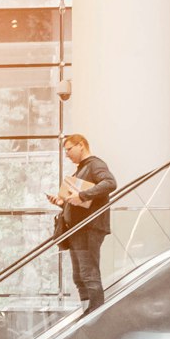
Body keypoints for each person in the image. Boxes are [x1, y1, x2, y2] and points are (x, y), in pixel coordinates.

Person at [48, 134, 117, 315]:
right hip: (77, 230)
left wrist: (82, 195)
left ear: (81, 145)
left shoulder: (95, 165)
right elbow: (80, 202)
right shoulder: (81, 170)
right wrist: (63, 202)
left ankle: (96, 316)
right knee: (79, 277)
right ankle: (87, 312)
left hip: (88, 228)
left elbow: (110, 183)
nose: (67, 154)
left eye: (69, 149)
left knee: (88, 274)